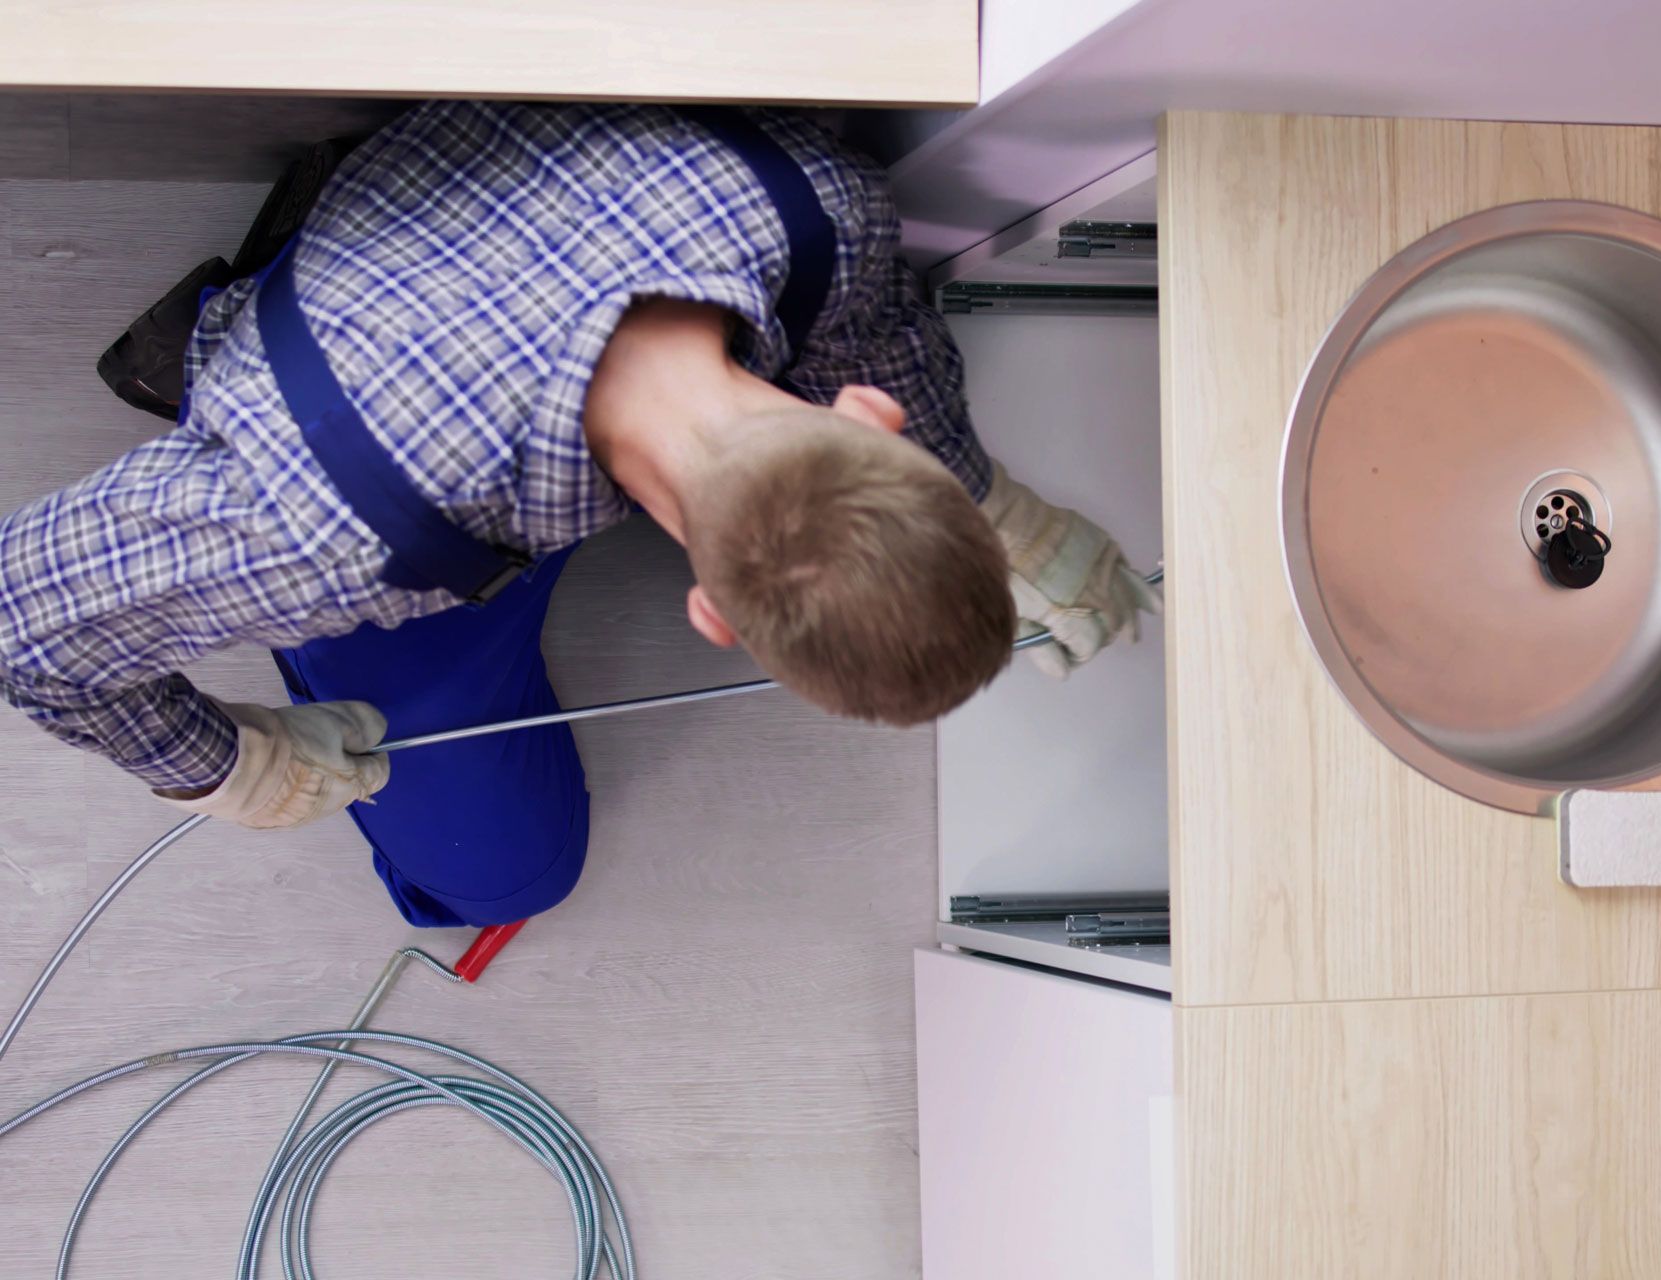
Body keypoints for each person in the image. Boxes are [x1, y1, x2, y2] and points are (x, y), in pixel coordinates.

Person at [0, 101, 1157, 928]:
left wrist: (999, 508)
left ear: (866, 413)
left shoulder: (823, 206)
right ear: (713, 617)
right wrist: (225, 766)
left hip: (508, 274)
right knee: (507, 877)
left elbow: (879, 333)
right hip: (359, 420)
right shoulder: (329, 535)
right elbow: (22, 617)